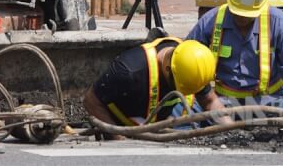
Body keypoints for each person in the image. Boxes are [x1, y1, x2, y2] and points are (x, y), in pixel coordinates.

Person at [83, 36, 227, 131]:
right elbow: (91, 101)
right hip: (127, 126)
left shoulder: (192, 64)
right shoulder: (129, 71)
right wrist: (117, 138)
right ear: (168, 68)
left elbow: (209, 100)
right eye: (181, 89)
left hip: (162, 124)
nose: (184, 94)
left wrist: (230, 129)